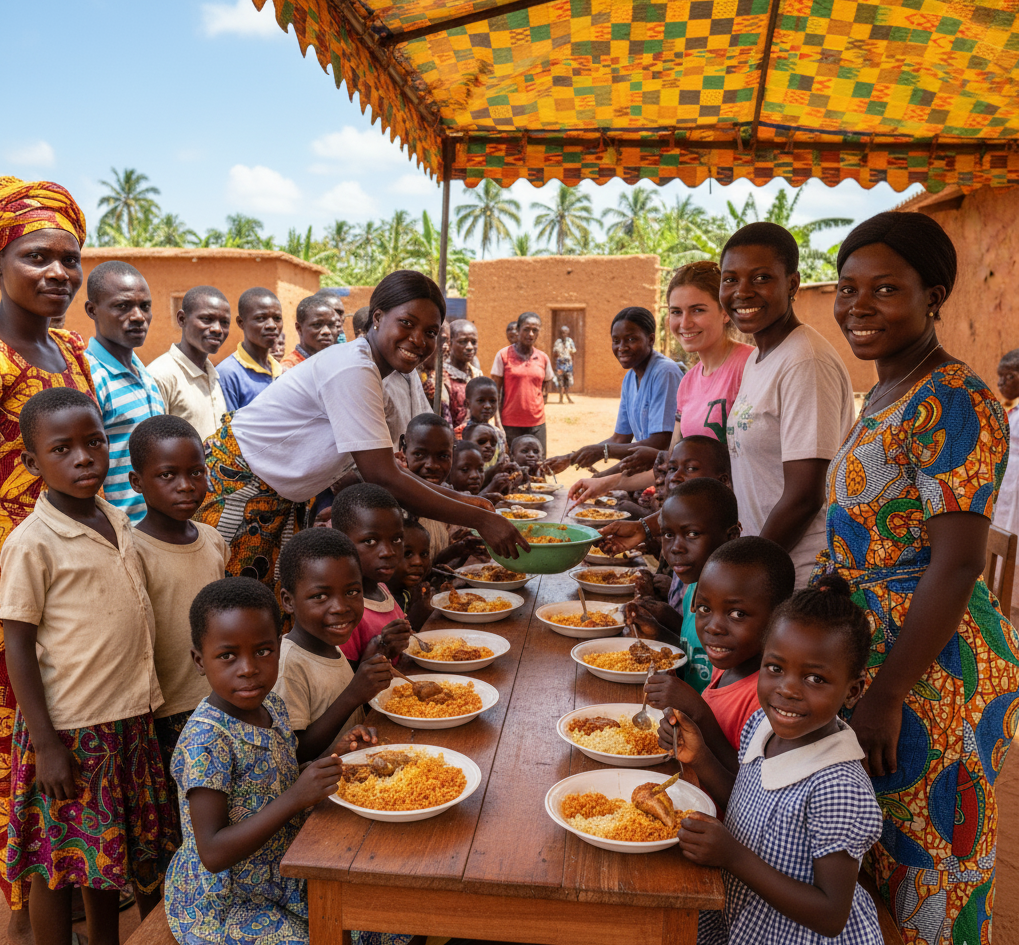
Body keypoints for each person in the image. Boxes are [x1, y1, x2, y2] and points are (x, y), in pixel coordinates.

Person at [818, 211, 1019, 941]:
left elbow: (959, 559)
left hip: (931, 666)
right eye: (846, 288)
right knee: (871, 845)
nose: (857, 306)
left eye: (884, 290)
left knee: (930, 856)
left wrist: (886, 693)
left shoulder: (954, 397)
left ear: (931, 295)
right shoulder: (882, 391)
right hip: (874, 654)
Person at [196, 271, 526, 589]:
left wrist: (466, 501)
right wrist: (481, 520)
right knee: (228, 611)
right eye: (407, 323)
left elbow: (390, 469)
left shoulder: (369, 368)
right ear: (378, 317)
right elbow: (383, 476)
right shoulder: (353, 368)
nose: (418, 339)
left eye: (430, 331)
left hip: (276, 500)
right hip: (238, 490)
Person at [0, 388, 171, 938]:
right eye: (62, 449)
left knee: (106, 858)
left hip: (127, 718)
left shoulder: (116, 518)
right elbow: (18, 644)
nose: (83, 458)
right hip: (72, 732)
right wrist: (47, 745)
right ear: (32, 463)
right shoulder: (32, 543)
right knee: (60, 863)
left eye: (93, 442)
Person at [661, 575, 883, 944]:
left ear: (853, 689)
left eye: (815, 678)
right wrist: (699, 756)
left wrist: (733, 857)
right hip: (747, 915)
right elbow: (748, 802)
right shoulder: (762, 725)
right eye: (775, 668)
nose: (788, 690)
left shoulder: (838, 787)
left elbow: (831, 914)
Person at [0, 176, 93, 924]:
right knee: (22, 738)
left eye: (71, 259)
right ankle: (26, 896)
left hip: (77, 577)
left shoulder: (69, 348)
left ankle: (57, 873)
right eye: (39, 255)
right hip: (13, 584)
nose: (59, 273)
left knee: (67, 729)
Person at [164, 577, 345, 944]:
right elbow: (213, 852)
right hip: (226, 900)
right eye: (227, 655)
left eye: (263, 651)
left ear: (278, 648)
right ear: (200, 661)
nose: (248, 668)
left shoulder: (271, 706)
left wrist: (327, 765)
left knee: (380, 924)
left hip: (280, 870)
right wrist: (296, 797)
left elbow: (277, 775)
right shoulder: (207, 741)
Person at [723, 222, 854, 586]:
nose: (742, 292)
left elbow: (804, 496)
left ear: (792, 284)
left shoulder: (804, 361)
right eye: (730, 279)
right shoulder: (759, 357)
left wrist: (748, 571)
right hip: (767, 562)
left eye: (761, 278)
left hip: (796, 572)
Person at [128, 415, 229, 845]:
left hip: (218, 701)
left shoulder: (213, 540)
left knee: (220, 814)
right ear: (137, 481)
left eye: (196, 472)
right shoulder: (132, 551)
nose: (186, 485)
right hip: (165, 713)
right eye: (167, 475)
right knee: (173, 828)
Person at [644, 536, 795, 769]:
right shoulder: (726, 665)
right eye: (704, 609)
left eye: (737, 614)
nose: (713, 627)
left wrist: (698, 713)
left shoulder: (766, 701)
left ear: (779, 616)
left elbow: (745, 790)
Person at [274, 528, 389, 763]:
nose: (340, 607)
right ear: (288, 601)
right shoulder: (288, 666)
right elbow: (295, 755)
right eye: (320, 596)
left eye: (352, 592)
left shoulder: (329, 646)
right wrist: (353, 695)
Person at [626, 479, 740, 694]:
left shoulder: (735, 608)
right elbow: (692, 651)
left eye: (692, 534)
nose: (676, 548)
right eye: (668, 535)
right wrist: (657, 631)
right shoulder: (694, 587)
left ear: (731, 536)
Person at [547, 307, 683, 476]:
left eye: (631, 339)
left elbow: (660, 443)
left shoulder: (664, 373)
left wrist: (603, 470)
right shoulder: (629, 379)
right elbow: (620, 438)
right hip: (646, 473)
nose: (622, 347)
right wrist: (570, 458)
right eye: (616, 340)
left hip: (668, 475)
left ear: (651, 339)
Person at [84, 261, 165, 526]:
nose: (139, 316)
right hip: (118, 533)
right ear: (92, 310)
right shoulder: (92, 378)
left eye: (145, 306)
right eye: (122, 306)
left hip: (153, 531)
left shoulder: (145, 373)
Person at [330, 484, 413, 665]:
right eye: (370, 541)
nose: (388, 552)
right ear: (340, 539)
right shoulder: (343, 612)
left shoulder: (382, 589)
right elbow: (346, 685)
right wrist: (382, 651)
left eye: (396, 539)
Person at [399, 413, 489, 567]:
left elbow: (432, 566)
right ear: (403, 450)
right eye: (419, 454)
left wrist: (458, 550)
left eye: (443, 456)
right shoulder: (395, 504)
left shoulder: (446, 496)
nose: (432, 465)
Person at [147, 285, 231, 442]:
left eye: (225, 322)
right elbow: (153, 444)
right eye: (207, 319)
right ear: (182, 319)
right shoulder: (161, 376)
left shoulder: (213, 376)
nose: (217, 329)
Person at [491, 311, 555, 454]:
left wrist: (535, 408)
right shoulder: (503, 355)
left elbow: (545, 386)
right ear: (518, 330)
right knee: (512, 468)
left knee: (538, 466)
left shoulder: (543, 358)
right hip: (510, 424)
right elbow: (495, 392)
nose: (530, 334)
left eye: (535, 330)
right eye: (526, 329)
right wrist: (497, 423)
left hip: (537, 424)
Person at [217, 287, 283, 411]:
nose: (272, 325)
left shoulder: (280, 371)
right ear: (241, 322)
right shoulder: (229, 374)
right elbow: (228, 428)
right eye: (260, 318)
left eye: (277, 318)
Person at [386, 519, 435, 632]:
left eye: (424, 554)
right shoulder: (381, 601)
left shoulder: (405, 592)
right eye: (407, 554)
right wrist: (416, 615)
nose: (418, 562)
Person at [993, 348, 1019, 543]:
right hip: (1006, 482)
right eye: (1000, 377)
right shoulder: (1007, 408)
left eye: (1009, 376)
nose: (1000, 383)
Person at [279, 294, 339, 371]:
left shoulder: (337, 366)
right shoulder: (289, 370)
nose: (327, 331)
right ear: (299, 328)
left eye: (331, 325)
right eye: (317, 325)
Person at [446, 318, 482, 426]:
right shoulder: (442, 377)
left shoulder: (477, 374)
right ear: (450, 343)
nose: (470, 347)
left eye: (474, 342)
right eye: (463, 342)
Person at [552, 324, 577, 404]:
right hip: (560, 365)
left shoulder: (570, 341)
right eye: (562, 332)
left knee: (569, 381)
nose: (564, 334)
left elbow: (574, 351)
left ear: (568, 333)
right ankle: (561, 398)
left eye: (565, 332)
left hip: (568, 365)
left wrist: (570, 359)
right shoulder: (557, 342)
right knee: (560, 381)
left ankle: (567, 396)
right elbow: (554, 353)